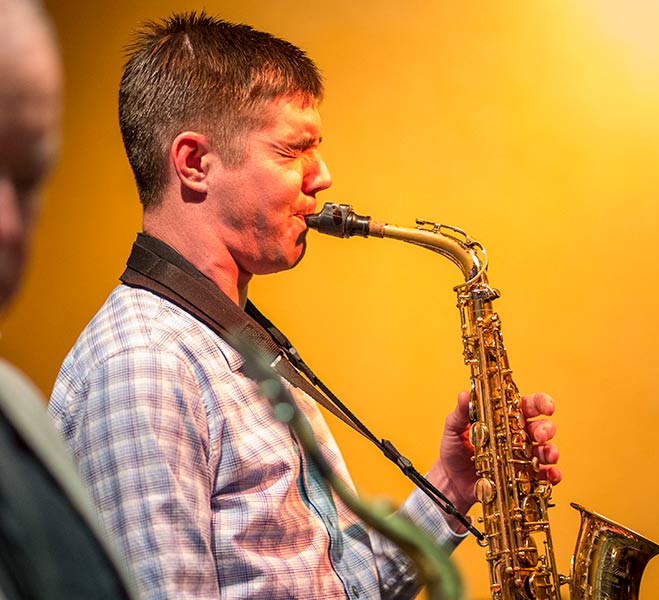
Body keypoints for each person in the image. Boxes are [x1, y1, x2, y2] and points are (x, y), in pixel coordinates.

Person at [49, 11, 561, 599]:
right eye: (294, 150)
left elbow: (336, 587)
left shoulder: (227, 344)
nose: (323, 176)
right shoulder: (144, 367)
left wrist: (453, 484)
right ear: (194, 163)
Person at [0, 0, 139, 597]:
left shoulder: (17, 410)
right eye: (293, 150)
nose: (8, 226)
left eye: (28, 179)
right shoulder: (138, 365)